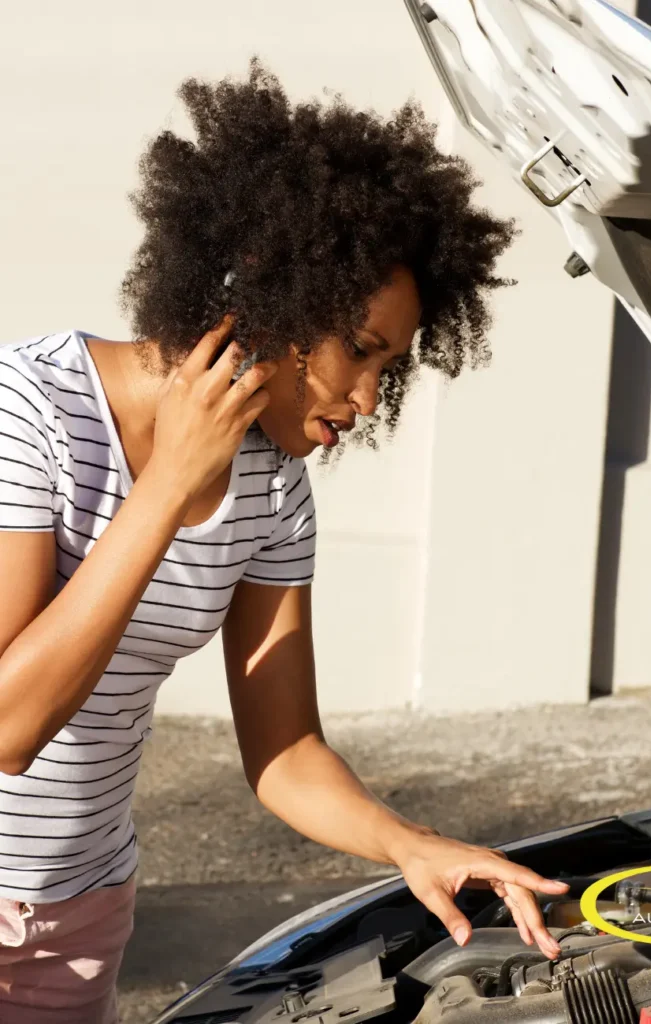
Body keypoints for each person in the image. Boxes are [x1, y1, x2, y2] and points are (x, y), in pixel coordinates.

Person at [0, 58, 569, 1022]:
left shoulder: (272, 484)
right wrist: (166, 487)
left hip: (79, 916)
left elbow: (286, 749)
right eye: (361, 351)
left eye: (392, 367)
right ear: (274, 295)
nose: (367, 400)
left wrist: (408, 843)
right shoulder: (32, 414)